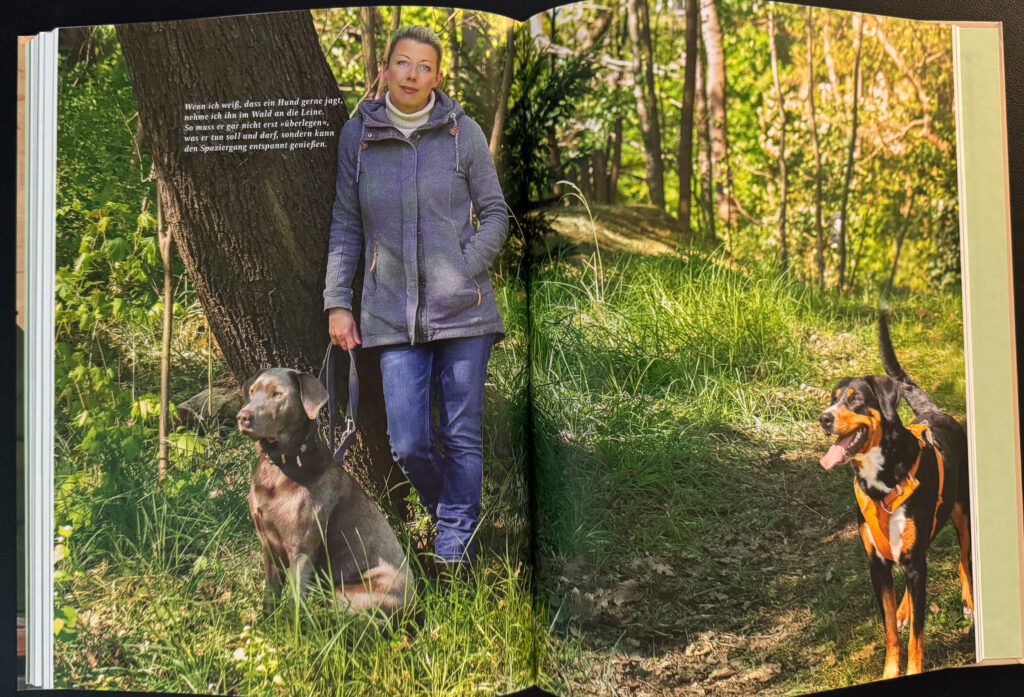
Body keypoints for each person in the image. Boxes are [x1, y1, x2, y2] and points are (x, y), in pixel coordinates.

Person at [323, 25, 508, 572]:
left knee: (462, 434)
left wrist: (463, 268)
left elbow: (495, 214)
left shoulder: (461, 132)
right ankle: (460, 518)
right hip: (389, 314)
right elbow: (345, 224)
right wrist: (339, 300)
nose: (412, 75)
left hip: (465, 312)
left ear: (438, 77)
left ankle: (453, 556)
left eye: (424, 66)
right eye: (402, 63)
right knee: (408, 443)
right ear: (384, 70)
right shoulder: (357, 137)